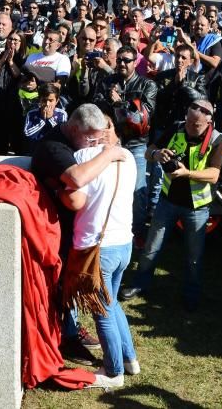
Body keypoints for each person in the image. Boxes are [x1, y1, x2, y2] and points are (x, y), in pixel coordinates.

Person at [31, 104, 125, 358]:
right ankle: (65, 336)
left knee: (70, 285)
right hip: (53, 229)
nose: (94, 144)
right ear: (73, 128)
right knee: (61, 285)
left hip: (75, 228)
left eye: (98, 138)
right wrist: (110, 154)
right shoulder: (54, 147)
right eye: (89, 138)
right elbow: (77, 180)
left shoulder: (81, 142)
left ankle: (70, 331)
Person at [121, 98, 222, 311]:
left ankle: (191, 293)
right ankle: (140, 284)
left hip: (197, 208)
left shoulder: (216, 139)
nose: (189, 127)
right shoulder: (177, 128)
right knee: (152, 246)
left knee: (193, 255)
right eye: (188, 121)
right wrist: (157, 154)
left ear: (208, 122)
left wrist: (187, 173)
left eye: (195, 124)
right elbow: (148, 151)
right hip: (167, 201)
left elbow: (214, 175)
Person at [61, 140, 140, 389]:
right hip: (124, 243)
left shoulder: (83, 154)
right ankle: (130, 360)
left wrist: (59, 191)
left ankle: (114, 371)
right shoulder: (127, 155)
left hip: (99, 248)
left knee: (102, 312)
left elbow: (76, 199)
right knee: (112, 304)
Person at [94, 46, 158, 244]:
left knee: (137, 190)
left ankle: (137, 234)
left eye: (127, 60)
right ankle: (107, 229)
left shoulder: (148, 85)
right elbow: (98, 113)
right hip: (110, 142)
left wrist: (119, 103)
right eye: (119, 59)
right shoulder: (106, 82)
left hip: (137, 144)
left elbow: (142, 120)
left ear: (135, 62)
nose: (122, 63)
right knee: (105, 188)